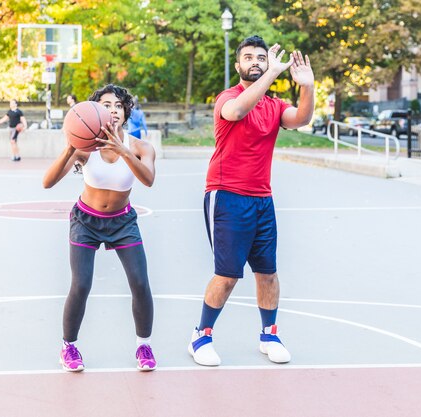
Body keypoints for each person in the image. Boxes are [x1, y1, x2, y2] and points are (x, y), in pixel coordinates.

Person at [188, 36, 314, 366]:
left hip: (262, 199)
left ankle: (269, 335)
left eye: (261, 57)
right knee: (227, 276)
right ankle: (201, 336)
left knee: (268, 273)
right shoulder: (227, 98)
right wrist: (273, 72)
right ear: (238, 65)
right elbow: (238, 110)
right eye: (249, 57)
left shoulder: (273, 106)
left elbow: (301, 119)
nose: (256, 61)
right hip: (227, 195)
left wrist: (308, 86)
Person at [43, 84, 158, 372]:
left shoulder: (141, 147)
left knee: (140, 284)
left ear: (125, 111)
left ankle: (143, 345)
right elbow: (47, 181)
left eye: (118, 105)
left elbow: (148, 180)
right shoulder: (85, 149)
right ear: (96, 111)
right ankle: (68, 347)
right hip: (86, 221)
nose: (113, 110)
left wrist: (125, 152)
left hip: (122, 222)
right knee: (80, 285)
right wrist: (71, 146)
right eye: (106, 105)